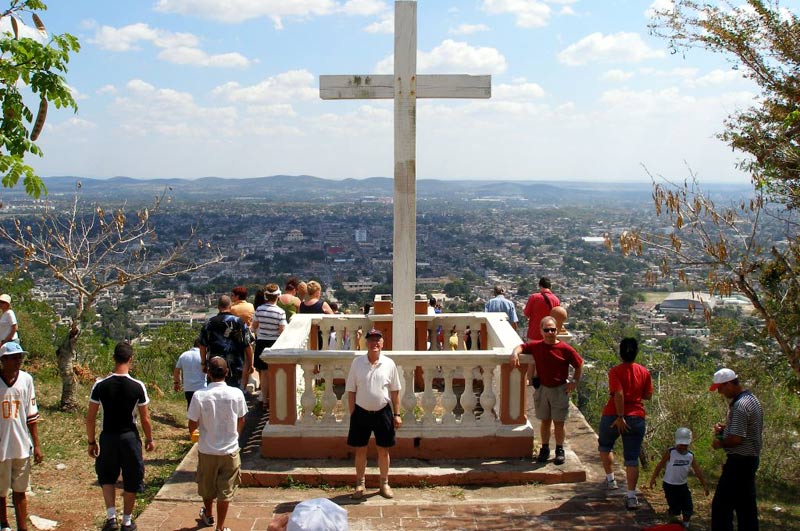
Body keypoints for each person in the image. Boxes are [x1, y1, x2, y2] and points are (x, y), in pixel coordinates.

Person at [87, 342, 155, 531]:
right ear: (130, 359)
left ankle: (111, 518)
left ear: (114, 358)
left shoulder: (100, 385)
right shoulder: (137, 386)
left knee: (107, 476)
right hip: (129, 437)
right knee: (132, 477)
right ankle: (126, 520)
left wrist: (91, 441)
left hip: (107, 436)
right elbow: (145, 418)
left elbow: (91, 417)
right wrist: (149, 439)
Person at [510, 316, 583, 466]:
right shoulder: (537, 346)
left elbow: (579, 364)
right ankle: (544, 448)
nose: (550, 332)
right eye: (547, 330)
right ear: (541, 331)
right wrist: (514, 353)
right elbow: (522, 347)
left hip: (559, 389)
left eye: (553, 329)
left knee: (559, 422)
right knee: (544, 421)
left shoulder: (565, 349)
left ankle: (559, 449)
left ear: (557, 330)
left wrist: (574, 382)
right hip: (543, 388)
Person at [188, 356, 248, 531]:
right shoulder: (236, 394)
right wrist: (235, 436)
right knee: (225, 490)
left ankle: (209, 514)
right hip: (229, 449)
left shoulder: (200, 395)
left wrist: (196, 434)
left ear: (207, 373)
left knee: (207, 486)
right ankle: (220, 527)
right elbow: (242, 419)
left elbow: (192, 423)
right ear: (227, 372)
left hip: (207, 449)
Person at [597, 337, 653, 511]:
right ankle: (631, 496)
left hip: (614, 415)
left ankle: (611, 479)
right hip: (636, 416)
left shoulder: (615, 371)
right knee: (631, 458)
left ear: (621, 353)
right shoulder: (644, 371)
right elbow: (648, 395)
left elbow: (618, 394)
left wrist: (620, 416)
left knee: (605, 447)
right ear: (636, 353)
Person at [346, 328, 402, 500]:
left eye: (378, 340)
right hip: (361, 411)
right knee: (360, 450)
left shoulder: (389, 364)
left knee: (383, 450)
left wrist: (397, 414)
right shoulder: (357, 363)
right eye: (371, 340)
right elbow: (350, 391)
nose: (374, 343)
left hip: (383, 411)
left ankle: (384, 483)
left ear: (382, 343)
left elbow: (395, 391)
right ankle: (359, 483)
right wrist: (353, 413)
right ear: (366, 343)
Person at [709, 368, 763, 531]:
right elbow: (745, 429)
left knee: (721, 507)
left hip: (739, 462)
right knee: (746, 508)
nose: (720, 392)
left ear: (730, 384)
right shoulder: (752, 400)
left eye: (721, 388)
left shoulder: (739, 405)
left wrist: (720, 443)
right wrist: (726, 429)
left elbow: (736, 439)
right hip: (750, 460)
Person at [0, 341, 42, 531]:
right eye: (14, 358)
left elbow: (31, 416)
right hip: (2, 445)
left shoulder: (26, 380)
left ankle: (22, 527)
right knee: (1, 490)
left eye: (20, 357)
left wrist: (37, 445)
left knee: (20, 489)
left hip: (21, 444)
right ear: (4, 360)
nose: (18, 361)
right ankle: (4, 523)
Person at [649, 427, 709, 529]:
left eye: (685, 445)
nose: (682, 447)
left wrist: (704, 485)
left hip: (682, 485)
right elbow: (660, 465)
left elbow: (698, 471)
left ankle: (685, 524)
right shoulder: (671, 452)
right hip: (669, 485)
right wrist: (653, 478)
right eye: (680, 444)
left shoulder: (690, 456)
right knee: (675, 508)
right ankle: (673, 522)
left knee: (688, 506)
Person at [198, 295, 254, 390]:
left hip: (214, 366)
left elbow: (202, 346)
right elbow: (248, 346)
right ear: (230, 306)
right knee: (235, 393)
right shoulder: (239, 322)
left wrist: (203, 363)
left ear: (218, 307)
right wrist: (251, 364)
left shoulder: (209, 323)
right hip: (236, 366)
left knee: (214, 393)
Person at [252, 284, 286, 406]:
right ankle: (275, 400)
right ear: (278, 296)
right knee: (275, 373)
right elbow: (282, 330)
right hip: (275, 343)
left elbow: (253, 327)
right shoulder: (280, 312)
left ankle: (265, 400)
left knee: (264, 374)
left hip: (261, 343)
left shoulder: (259, 310)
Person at [173, 339, 207, 408]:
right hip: (202, 387)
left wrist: (176, 383)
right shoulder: (204, 356)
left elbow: (176, 371)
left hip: (188, 388)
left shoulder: (184, 355)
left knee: (191, 408)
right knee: (203, 409)